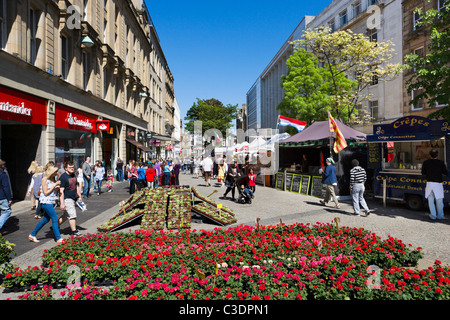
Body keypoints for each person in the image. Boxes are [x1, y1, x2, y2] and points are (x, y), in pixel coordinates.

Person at [28, 165, 63, 243]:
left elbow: (53, 192)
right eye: (55, 172)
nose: (57, 173)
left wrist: (56, 188)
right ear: (51, 172)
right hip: (46, 202)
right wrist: (54, 186)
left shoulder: (53, 179)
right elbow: (46, 192)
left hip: (51, 202)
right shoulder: (44, 179)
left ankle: (33, 234)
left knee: (45, 220)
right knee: (55, 218)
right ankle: (58, 238)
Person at [422, 149, 448, 220]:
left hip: (429, 183)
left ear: (430, 155)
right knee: (439, 201)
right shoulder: (441, 162)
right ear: (437, 155)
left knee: (430, 200)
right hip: (438, 184)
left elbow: (423, 172)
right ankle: (440, 216)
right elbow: (445, 172)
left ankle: (433, 215)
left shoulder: (426, 162)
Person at [58, 161, 82, 237]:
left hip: (73, 198)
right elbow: (61, 191)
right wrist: (62, 203)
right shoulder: (63, 177)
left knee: (66, 215)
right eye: (70, 167)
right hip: (67, 199)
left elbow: (76, 186)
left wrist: (79, 196)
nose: (72, 169)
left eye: (73, 167)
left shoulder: (73, 175)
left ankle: (55, 225)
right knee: (72, 215)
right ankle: (74, 231)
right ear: (65, 168)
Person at [0, 160, 12, 231]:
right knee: (7, 211)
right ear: (2, 166)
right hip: (2, 196)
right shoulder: (3, 174)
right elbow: (6, 187)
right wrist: (9, 198)